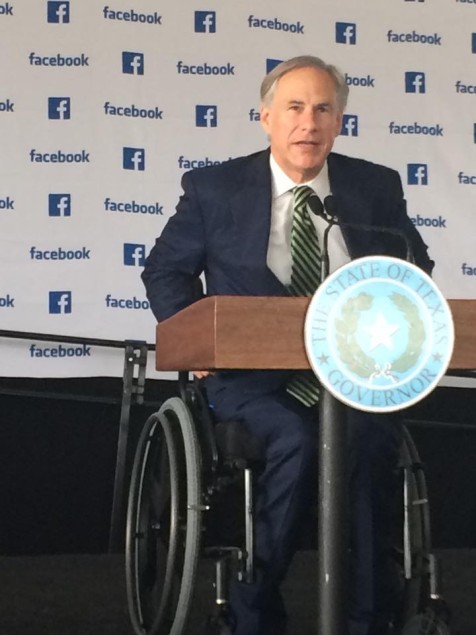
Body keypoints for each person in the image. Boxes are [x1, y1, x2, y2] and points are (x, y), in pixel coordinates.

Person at [142, 55, 434, 635]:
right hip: (251, 381)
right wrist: (196, 342)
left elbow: (413, 267)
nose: (309, 122)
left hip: (353, 375)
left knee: (371, 443)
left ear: (340, 121)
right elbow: (165, 273)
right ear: (266, 117)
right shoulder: (215, 188)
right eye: (295, 108)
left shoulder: (373, 187)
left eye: (324, 109)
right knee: (298, 440)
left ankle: (370, 619)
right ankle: (254, 607)